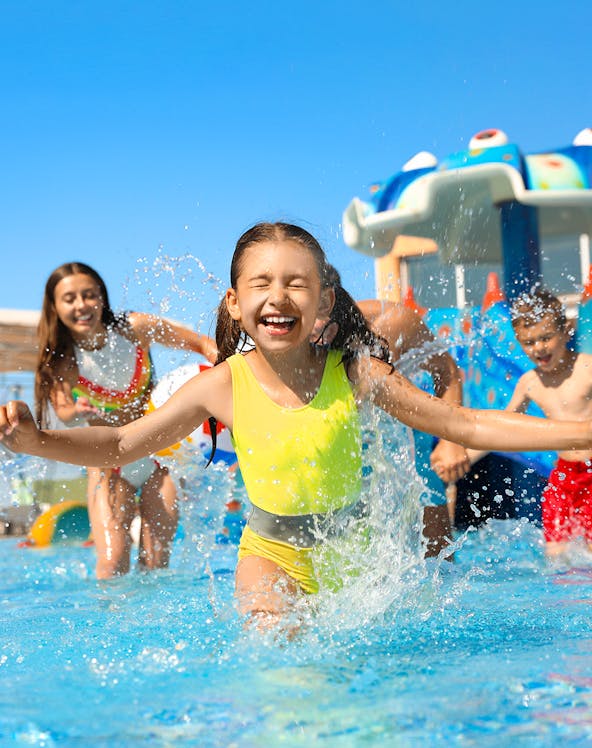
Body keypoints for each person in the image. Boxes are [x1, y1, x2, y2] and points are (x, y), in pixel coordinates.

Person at [3, 225, 592, 627]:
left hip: (354, 557)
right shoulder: (222, 383)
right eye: (261, 283)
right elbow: (122, 441)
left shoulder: (359, 372)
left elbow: (463, 421)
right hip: (270, 554)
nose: (278, 296)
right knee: (282, 658)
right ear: (235, 302)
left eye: (296, 283)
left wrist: (578, 435)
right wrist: (38, 439)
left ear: (325, 302)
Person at [34, 261, 217, 579]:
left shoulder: (135, 328)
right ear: (55, 307)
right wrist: (77, 413)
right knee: (111, 562)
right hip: (108, 464)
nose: (82, 306)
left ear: (102, 297)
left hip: (159, 456)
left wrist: (228, 364)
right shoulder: (63, 360)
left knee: (156, 559)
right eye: (70, 299)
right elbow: (62, 409)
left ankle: (150, 628)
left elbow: (199, 343)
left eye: (89, 295)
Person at [313, 270, 469, 557]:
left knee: (440, 564)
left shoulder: (394, 322)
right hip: (339, 454)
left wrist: (451, 440)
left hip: (405, 450)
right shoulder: (292, 338)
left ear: (336, 301)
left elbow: (446, 371)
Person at [467, 288, 592, 557]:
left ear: (566, 331)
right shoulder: (530, 383)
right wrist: (464, 457)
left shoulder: (587, 368)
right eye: (529, 342)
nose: (539, 348)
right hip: (564, 476)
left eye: (546, 338)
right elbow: (501, 429)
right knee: (556, 554)